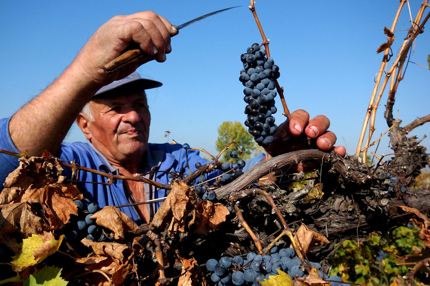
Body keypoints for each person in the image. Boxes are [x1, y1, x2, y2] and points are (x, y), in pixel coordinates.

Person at [0, 11, 345, 224]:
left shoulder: (178, 162)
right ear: (84, 125)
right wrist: (85, 72)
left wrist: (278, 158)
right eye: (116, 108)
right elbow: (8, 161)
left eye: (140, 103)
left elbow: (236, 188)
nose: (133, 116)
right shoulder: (69, 169)